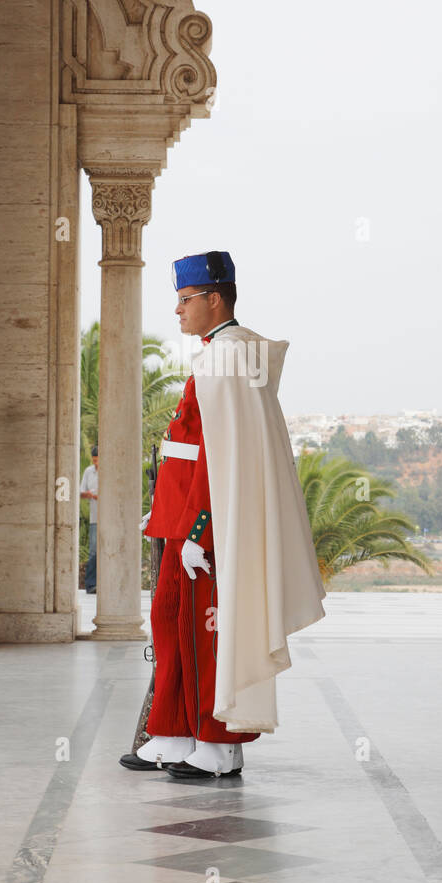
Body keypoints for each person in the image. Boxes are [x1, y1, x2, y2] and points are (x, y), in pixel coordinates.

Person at [120, 251, 325, 781]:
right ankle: (173, 731)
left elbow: (222, 456)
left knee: (206, 633)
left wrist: (196, 531)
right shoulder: (219, 355)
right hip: (181, 511)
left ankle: (218, 743)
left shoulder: (230, 357)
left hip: (204, 524)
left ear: (215, 298)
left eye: (185, 300)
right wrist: (165, 509)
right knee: (169, 622)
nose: (178, 311)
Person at [80, 446, 98, 594]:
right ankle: (90, 585)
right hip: (94, 517)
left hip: (110, 519)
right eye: (94, 461)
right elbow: (81, 492)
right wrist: (91, 495)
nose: (96, 463)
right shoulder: (88, 471)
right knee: (93, 552)